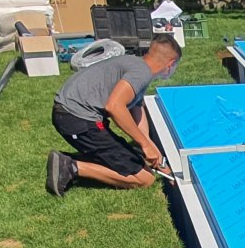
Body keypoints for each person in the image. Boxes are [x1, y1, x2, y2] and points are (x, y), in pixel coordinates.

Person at [45, 34, 181, 196]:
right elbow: (115, 107)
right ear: (170, 64)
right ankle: (70, 166)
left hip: (70, 113)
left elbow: (136, 110)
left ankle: (70, 159)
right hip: (77, 118)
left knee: (135, 159)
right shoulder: (141, 73)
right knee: (145, 178)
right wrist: (144, 145)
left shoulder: (136, 64)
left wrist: (151, 148)